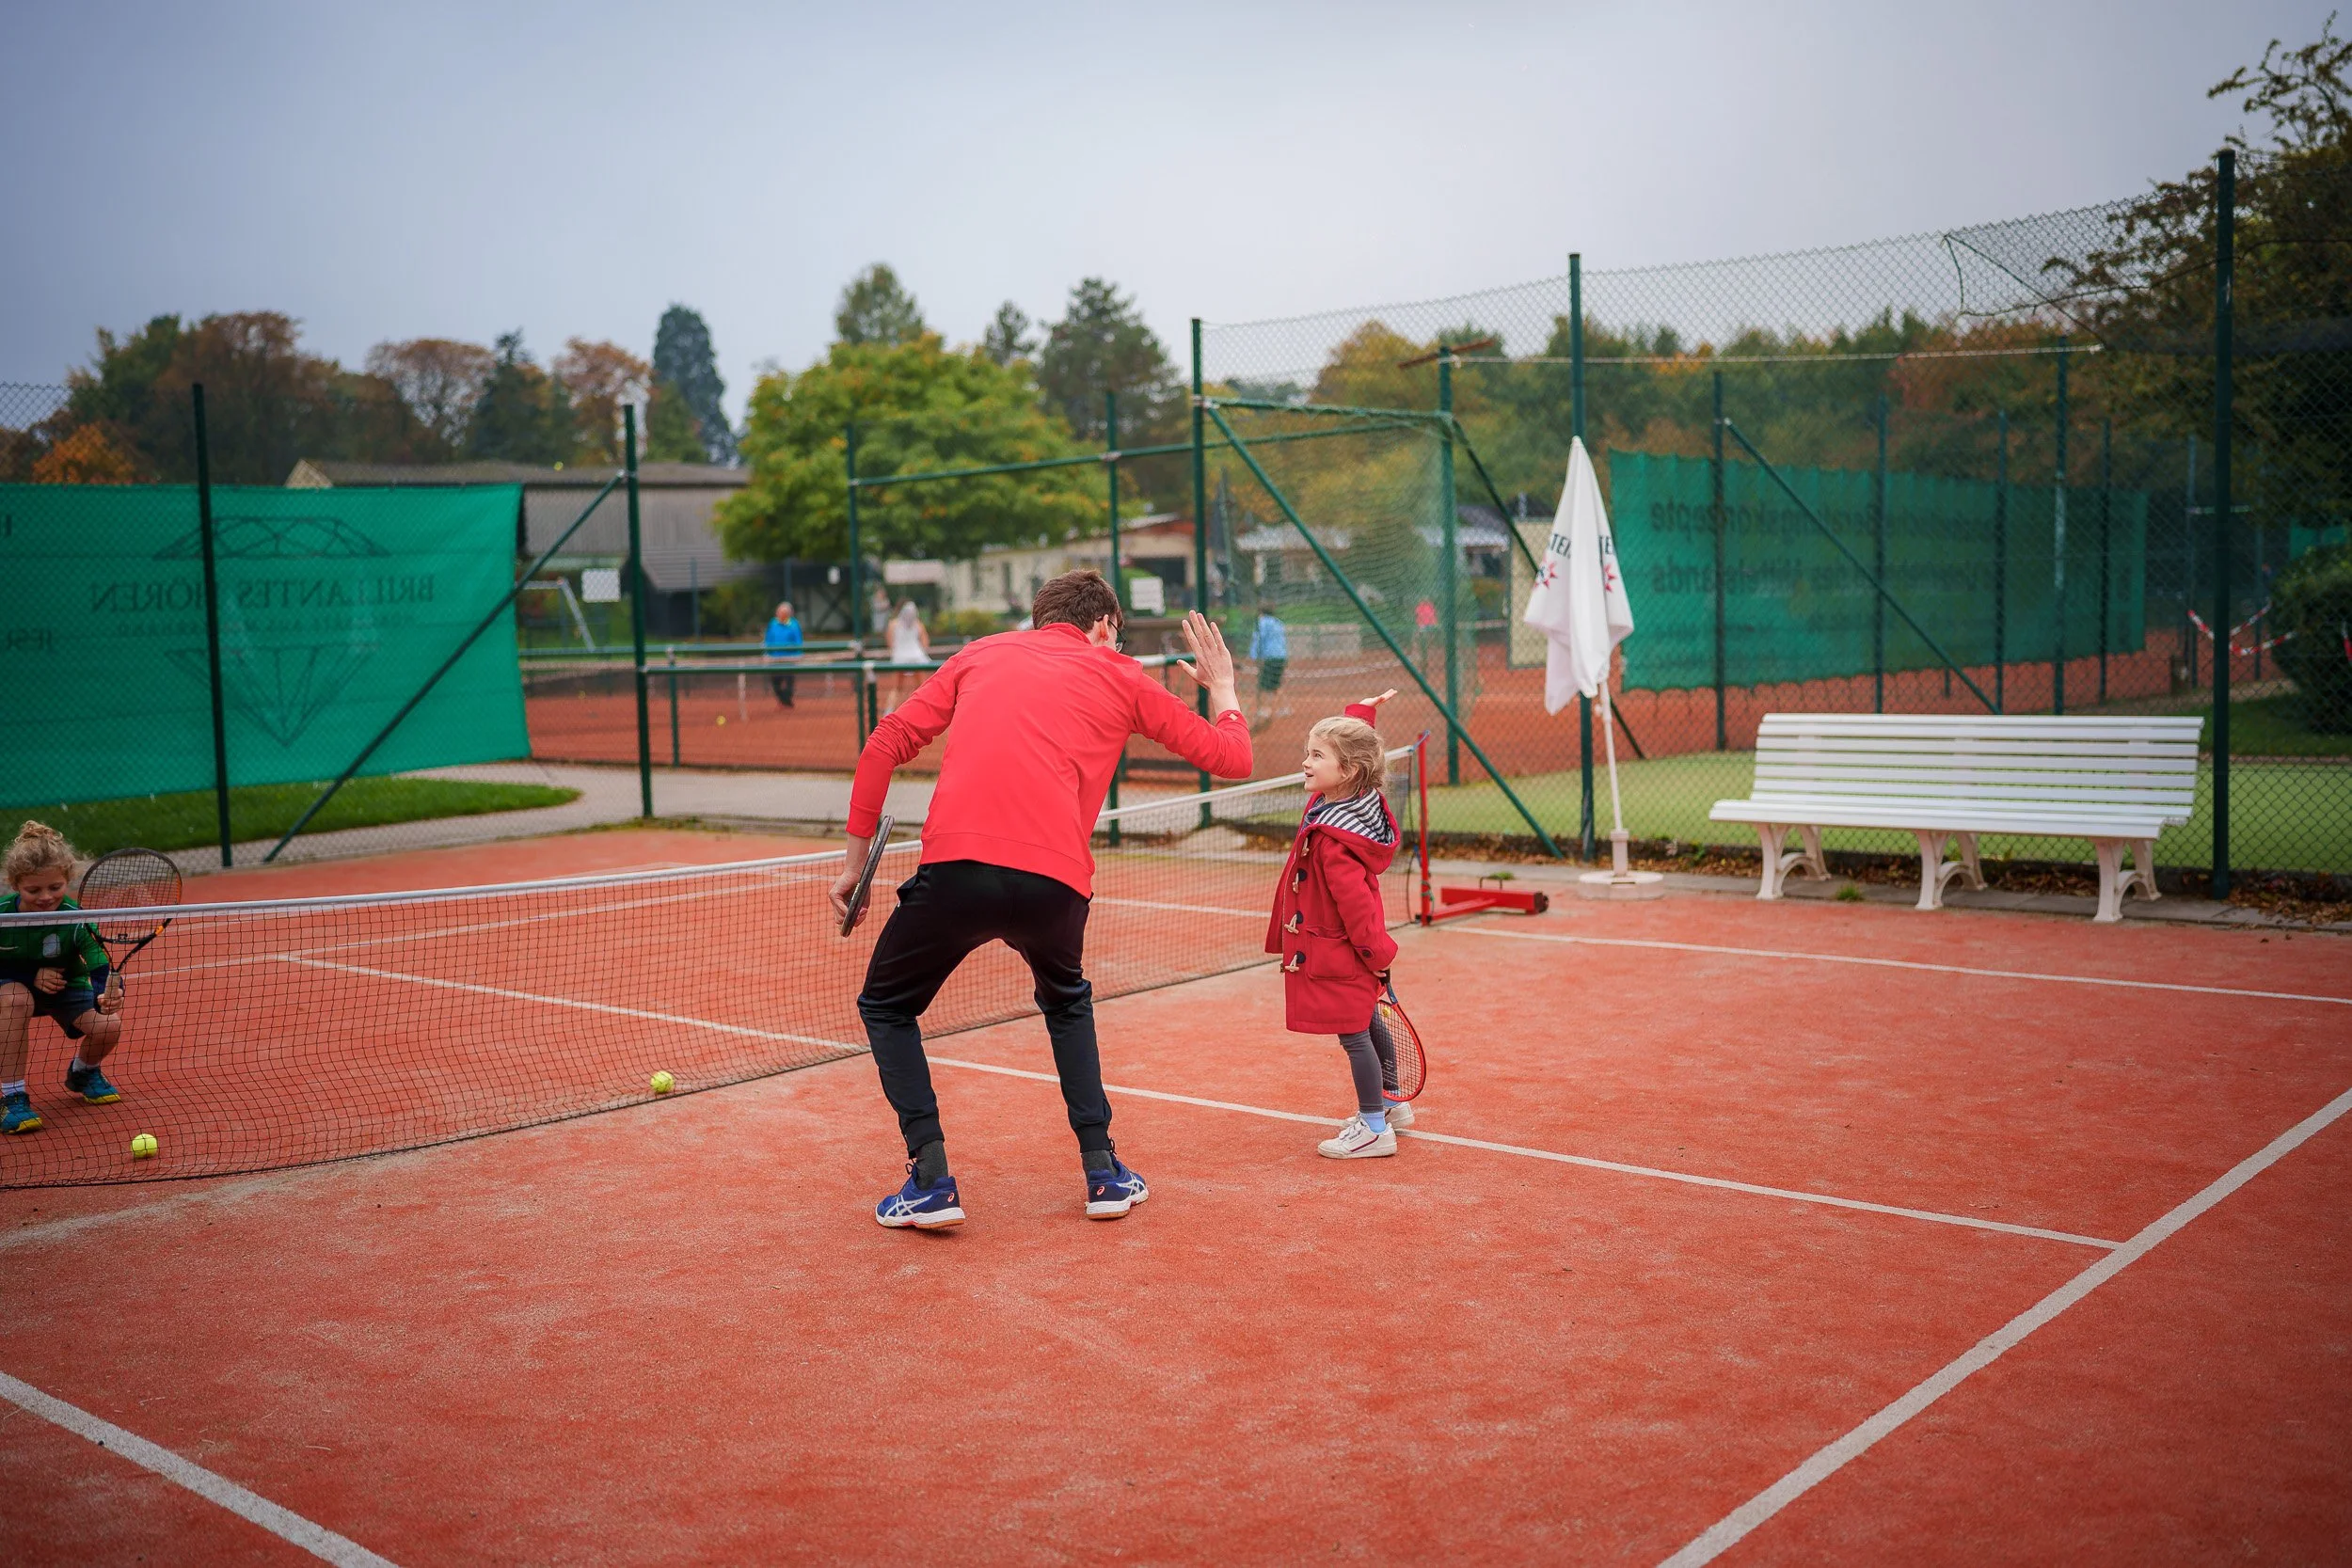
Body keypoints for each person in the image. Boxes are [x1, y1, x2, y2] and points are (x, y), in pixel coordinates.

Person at [833, 570, 1250, 1228]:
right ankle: (1103, 1170)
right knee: (1066, 1003)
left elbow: (886, 742)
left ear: (1040, 618)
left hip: (957, 867)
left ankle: (932, 1176)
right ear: (1106, 626)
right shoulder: (1122, 677)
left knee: (885, 1005)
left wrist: (855, 866)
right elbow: (1234, 757)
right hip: (1055, 882)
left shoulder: (980, 653)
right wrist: (1222, 687)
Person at [1263, 690, 1409, 1160]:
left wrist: (1378, 956)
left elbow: (1358, 912)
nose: (1305, 762)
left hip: (1344, 948)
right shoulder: (1359, 801)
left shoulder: (1332, 843)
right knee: (1366, 1017)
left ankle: (1373, 1127)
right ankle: (1391, 1103)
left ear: (1346, 771)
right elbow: (1357, 747)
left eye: (1316, 756)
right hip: (1351, 949)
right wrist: (1361, 713)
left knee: (1353, 1033)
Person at [0, 822, 126, 1135]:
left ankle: (83, 1072)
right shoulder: (2, 915)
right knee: (16, 998)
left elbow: (99, 960)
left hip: (63, 986)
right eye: (34, 890)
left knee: (109, 1026)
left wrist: (107, 992)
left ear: (67, 880)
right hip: (10, 987)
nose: (46, 897)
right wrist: (30, 975)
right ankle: (12, 1097)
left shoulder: (75, 916)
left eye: (55, 887)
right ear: (15, 884)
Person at [881, 601, 932, 717]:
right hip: (917, 659)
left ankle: (888, 712)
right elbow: (925, 642)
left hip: (900, 658)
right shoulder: (918, 624)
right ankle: (923, 712)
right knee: (921, 687)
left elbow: (890, 643)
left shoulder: (893, 624)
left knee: (896, 688)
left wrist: (899, 652)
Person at [1248, 603, 1288, 732]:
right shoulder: (1278, 622)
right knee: (1276, 684)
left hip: (1270, 657)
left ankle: (1266, 709)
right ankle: (1284, 707)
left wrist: (1254, 656)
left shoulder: (1262, 623)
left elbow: (1258, 639)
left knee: (1265, 686)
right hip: (1281, 655)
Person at [764, 600, 803, 707]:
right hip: (775, 659)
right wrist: (766, 653)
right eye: (780, 612)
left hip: (789, 659)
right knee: (775, 681)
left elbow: (798, 641)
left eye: (784, 613)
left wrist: (798, 654)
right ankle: (784, 700)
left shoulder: (794, 624)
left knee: (789, 681)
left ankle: (787, 700)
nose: (781, 615)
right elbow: (768, 639)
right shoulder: (773, 623)